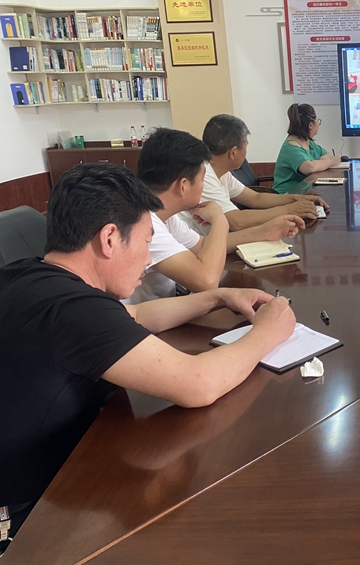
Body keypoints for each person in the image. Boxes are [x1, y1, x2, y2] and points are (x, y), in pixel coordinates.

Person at [0, 164, 295, 546]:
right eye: (145, 241)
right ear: (109, 239)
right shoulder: (76, 311)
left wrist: (218, 297)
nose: (147, 258)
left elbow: (133, 316)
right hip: (30, 514)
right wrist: (268, 332)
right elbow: (198, 384)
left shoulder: (30, 275)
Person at [131, 128, 304, 303]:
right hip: (148, 316)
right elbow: (207, 281)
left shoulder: (162, 214)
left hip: (167, 306)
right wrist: (220, 220)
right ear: (183, 186)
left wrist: (265, 231)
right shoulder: (142, 223)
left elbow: (202, 245)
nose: (203, 186)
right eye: (201, 180)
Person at [180, 114, 327, 234]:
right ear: (233, 152)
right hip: (194, 250)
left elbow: (255, 198)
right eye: (246, 145)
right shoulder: (203, 176)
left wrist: (296, 198)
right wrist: (290, 209)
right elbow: (236, 221)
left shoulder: (222, 172)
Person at [273, 104, 342, 194]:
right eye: (318, 121)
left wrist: (322, 160)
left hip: (302, 192)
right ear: (310, 125)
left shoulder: (308, 143)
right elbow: (310, 168)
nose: (319, 125)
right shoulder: (292, 148)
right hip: (286, 196)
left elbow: (327, 154)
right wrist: (331, 161)